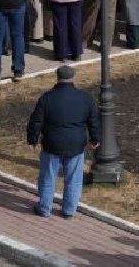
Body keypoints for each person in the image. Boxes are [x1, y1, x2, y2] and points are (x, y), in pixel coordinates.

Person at [26, 65, 99, 219]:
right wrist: (95, 138)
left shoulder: (47, 98)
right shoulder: (85, 98)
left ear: (57, 77)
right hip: (76, 145)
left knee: (47, 177)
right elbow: (93, 121)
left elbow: (36, 121)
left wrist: (32, 139)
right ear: (73, 77)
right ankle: (69, 210)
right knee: (74, 178)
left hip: (52, 144)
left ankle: (44, 208)